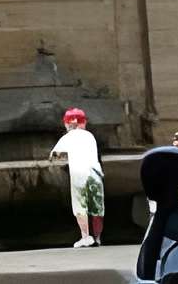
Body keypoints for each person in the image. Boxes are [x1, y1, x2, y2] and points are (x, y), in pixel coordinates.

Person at [50, 104, 104, 248]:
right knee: (97, 207)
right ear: (83, 122)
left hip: (79, 174)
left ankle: (85, 237)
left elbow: (55, 156)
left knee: (80, 206)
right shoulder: (90, 136)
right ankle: (97, 238)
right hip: (95, 173)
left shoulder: (67, 137)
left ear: (68, 123)